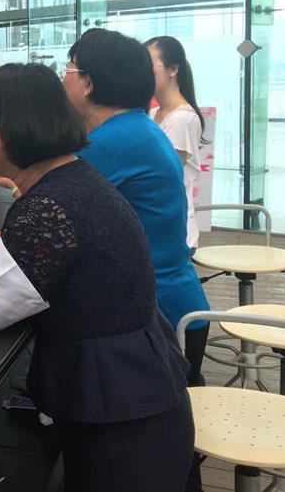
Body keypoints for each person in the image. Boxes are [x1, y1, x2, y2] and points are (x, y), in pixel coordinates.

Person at [0, 63, 194, 492]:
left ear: (14, 126)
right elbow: (26, 261)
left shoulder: (51, 204)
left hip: (123, 418)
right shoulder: (70, 182)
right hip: (136, 396)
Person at [62, 28, 210, 389]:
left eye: (66, 69)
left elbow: (55, 212)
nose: (61, 79)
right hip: (175, 303)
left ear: (88, 83)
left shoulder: (109, 143)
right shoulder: (135, 127)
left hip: (158, 318)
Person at [145, 36, 206, 250]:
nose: (143, 72)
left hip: (175, 231)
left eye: (149, 65)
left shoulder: (182, 119)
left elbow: (161, 177)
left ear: (172, 70)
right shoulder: (153, 113)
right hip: (159, 226)